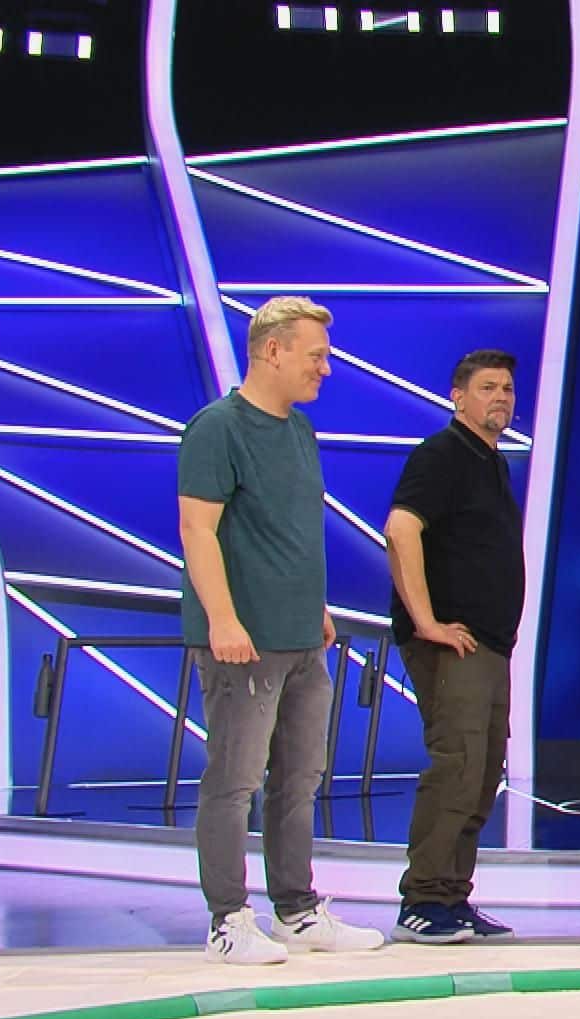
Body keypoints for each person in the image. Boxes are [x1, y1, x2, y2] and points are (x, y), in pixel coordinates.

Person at [178, 296, 384, 964]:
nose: (326, 368)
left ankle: (296, 910)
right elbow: (197, 530)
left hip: (301, 637)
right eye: (316, 355)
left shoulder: (299, 431)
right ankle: (227, 921)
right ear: (273, 350)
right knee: (234, 780)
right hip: (246, 639)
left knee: (298, 780)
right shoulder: (217, 428)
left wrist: (315, 606)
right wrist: (223, 618)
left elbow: (291, 530)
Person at [386, 350, 526, 944]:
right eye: (488, 387)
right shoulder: (441, 454)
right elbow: (401, 528)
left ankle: (450, 895)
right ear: (458, 396)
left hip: (489, 645)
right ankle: (423, 900)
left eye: (508, 389)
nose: (502, 398)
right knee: (459, 765)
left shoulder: (490, 463)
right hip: (455, 644)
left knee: (482, 771)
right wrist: (426, 621)